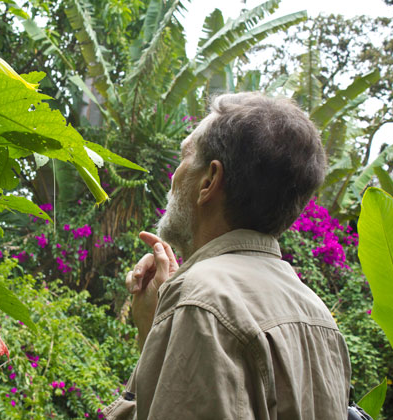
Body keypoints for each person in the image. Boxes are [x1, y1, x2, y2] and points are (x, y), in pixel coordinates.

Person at [103, 92, 351, 420]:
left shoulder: (200, 299)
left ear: (209, 180)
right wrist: (157, 328)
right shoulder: (317, 314)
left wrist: (180, 306)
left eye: (184, 158)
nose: (174, 176)